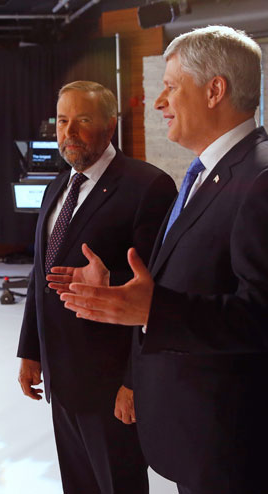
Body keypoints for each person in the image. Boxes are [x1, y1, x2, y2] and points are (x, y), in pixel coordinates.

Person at [57, 26, 268, 494]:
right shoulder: (208, 173)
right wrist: (122, 288)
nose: (159, 102)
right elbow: (192, 280)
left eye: (171, 86)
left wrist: (152, 310)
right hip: (203, 434)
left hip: (239, 445)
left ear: (215, 89)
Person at [16, 81, 176, 494]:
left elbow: (156, 293)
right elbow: (42, 273)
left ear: (110, 125)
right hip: (61, 377)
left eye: (82, 120)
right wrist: (31, 351)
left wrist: (136, 380)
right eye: (62, 120)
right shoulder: (58, 186)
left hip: (111, 383)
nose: (68, 132)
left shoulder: (148, 187)